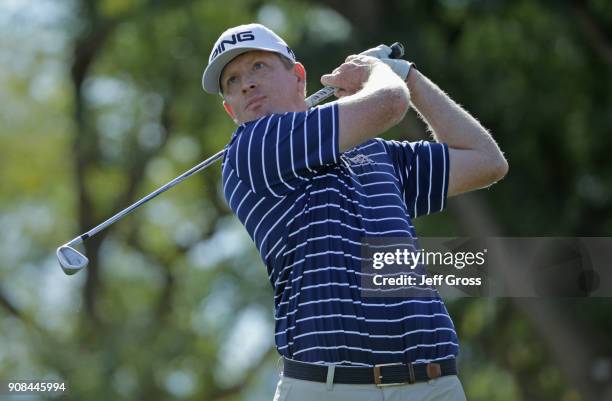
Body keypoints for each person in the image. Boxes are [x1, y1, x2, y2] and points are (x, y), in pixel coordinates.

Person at [202, 23, 507, 401]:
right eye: (232, 80)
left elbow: (486, 161)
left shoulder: (377, 153)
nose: (246, 83)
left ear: (298, 78)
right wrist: (378, 73)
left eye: (258, 67)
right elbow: (389, 104)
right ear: (230, 108)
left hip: (433, 385)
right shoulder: (251, 150)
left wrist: (408, 75)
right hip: (327, 387)